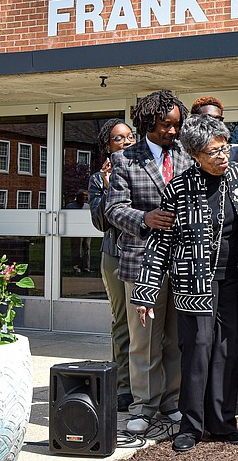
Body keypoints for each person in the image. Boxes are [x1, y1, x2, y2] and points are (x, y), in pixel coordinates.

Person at [131, 114, 238, 452]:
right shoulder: (180, 188)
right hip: (194, 283)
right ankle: (191, 425)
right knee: (197, 350)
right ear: (195, 155)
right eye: (214, 152)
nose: (223, 156)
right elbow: (161, 243)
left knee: (228, 351)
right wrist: (145, 292)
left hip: (235, 279)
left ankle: (223, 423)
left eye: (225, 148)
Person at [105, 90, 192, 433]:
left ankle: (171, 400)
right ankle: (143, 405)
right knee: (144, 339)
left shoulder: (187, 155)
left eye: (176, 126)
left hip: (181, 261)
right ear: (147, 122)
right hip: (141, 262)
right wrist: (145, 219)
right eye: (165, 125)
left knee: (173, 337)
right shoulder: (127, 159)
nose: (172, 132)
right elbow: (113, 209)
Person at [88, 118, 136, 412]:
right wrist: (106, 186)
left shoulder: (144, 170)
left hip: (144, 253)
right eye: (119, 138)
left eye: (130, 137)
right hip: (114, 255)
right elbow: (101, 222)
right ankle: (124, 387)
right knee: (122, 322)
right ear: (108, 145)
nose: (127, 142)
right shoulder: (97, 179)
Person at [65, 190, 91, 273]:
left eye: (87, 196)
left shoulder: (88, 206)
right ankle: (77, 267)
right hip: (75, 231)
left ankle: (86, 268)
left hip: (87, 230)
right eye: (84, 196)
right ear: (78, 196)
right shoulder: (70, 206)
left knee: (87, 248)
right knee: (76, 249)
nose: (86, 197)